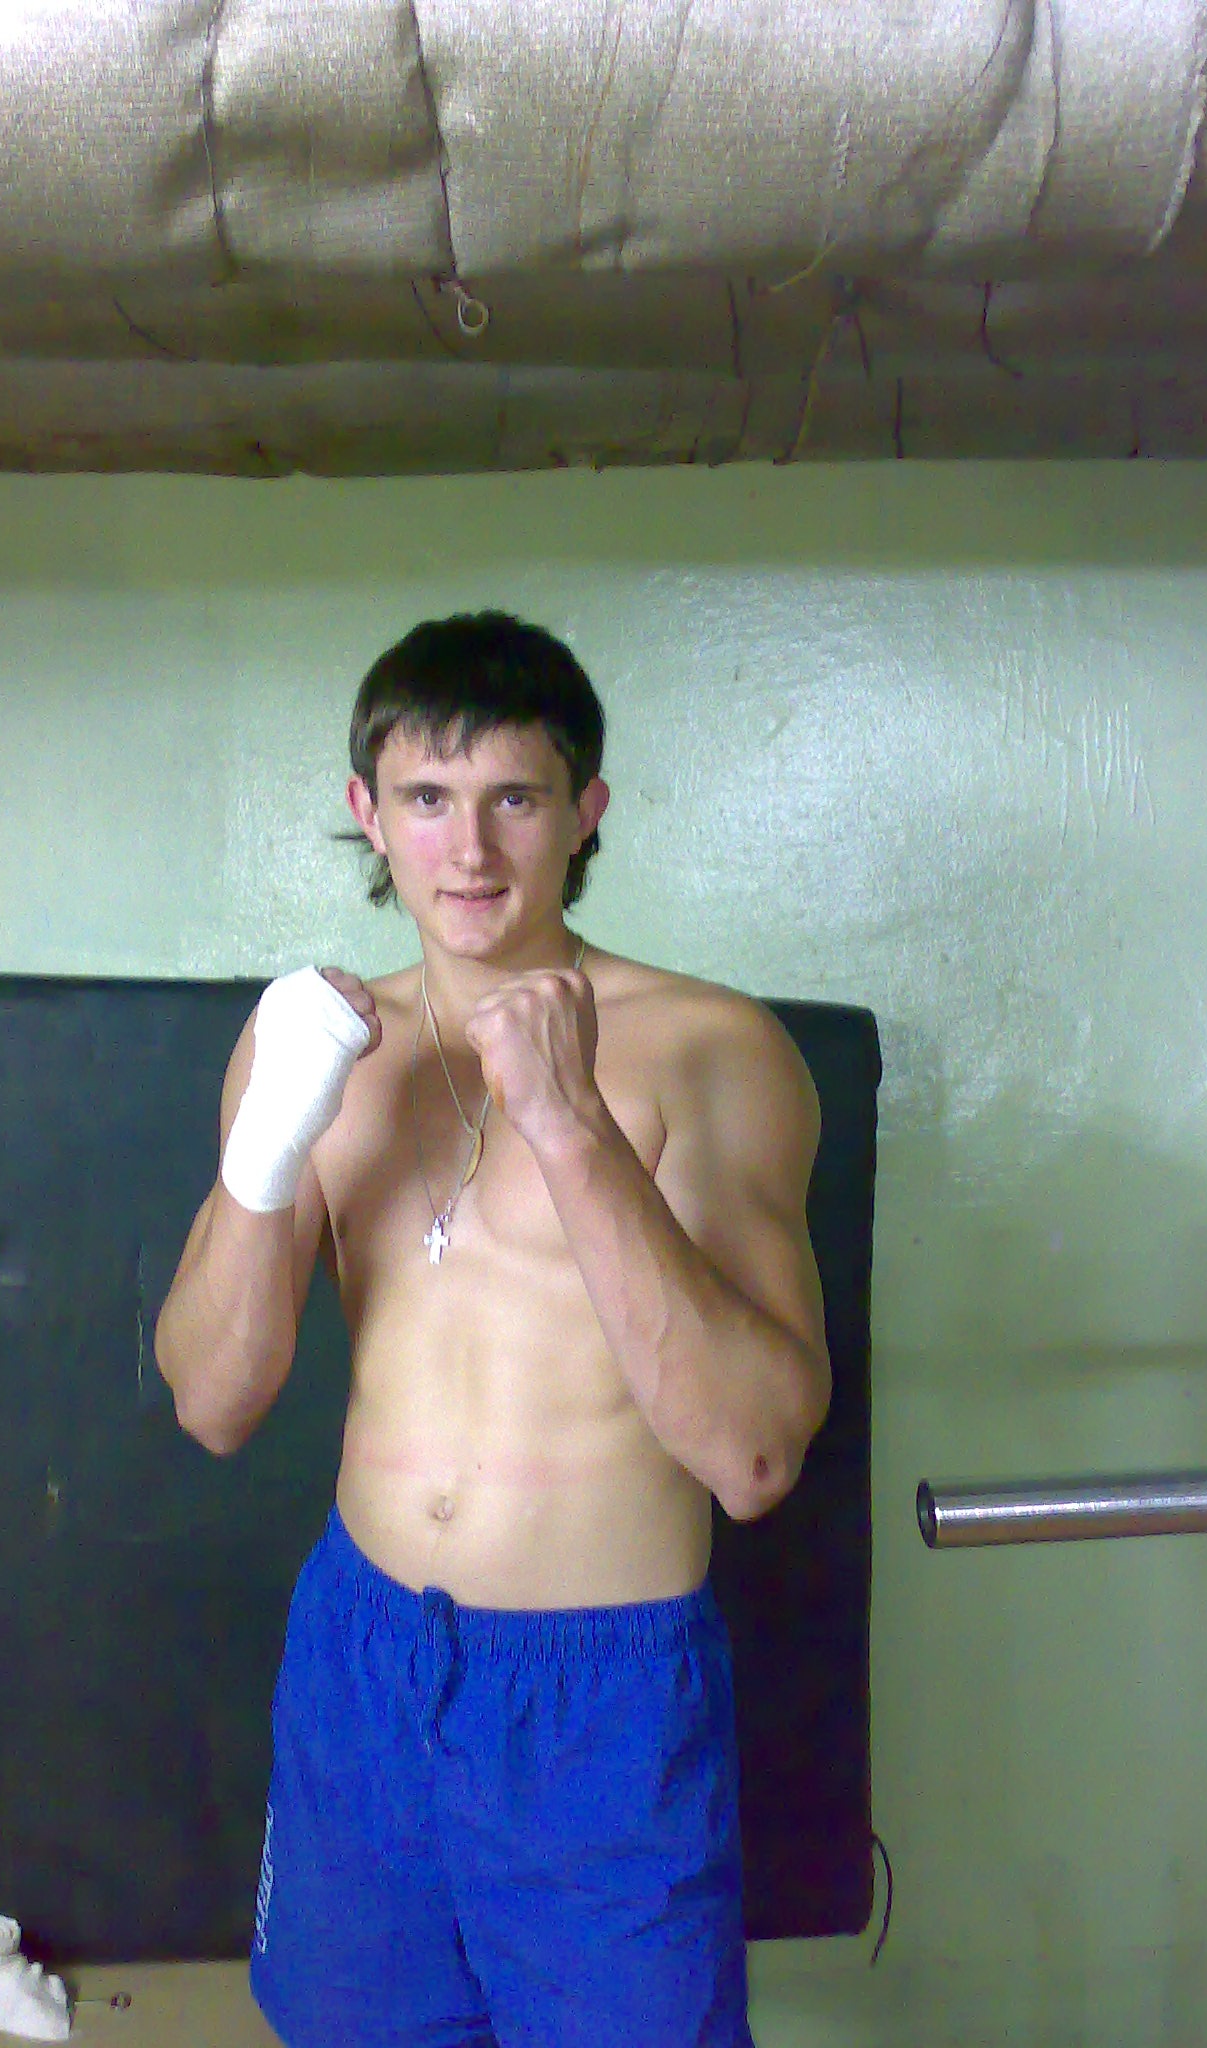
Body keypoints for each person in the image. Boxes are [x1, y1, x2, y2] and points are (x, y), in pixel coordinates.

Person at [155, 611, 830, 2048]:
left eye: (514, 798)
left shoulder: (712, 1052)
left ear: (586, 812)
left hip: (598, 1701)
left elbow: (756, 1457)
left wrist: (575, 1130)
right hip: (362, 1658)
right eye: (427, 798)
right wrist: (271, 1142)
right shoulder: (318, 1047)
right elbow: (212, 1402)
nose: (468, 851)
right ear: (369, 814)